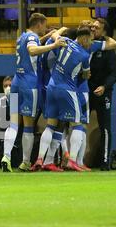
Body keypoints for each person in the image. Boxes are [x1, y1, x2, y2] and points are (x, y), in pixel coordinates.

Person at [0, 13, 67, 173]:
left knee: (14, 124)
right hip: (29, 85)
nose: (45, 27)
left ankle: (6, 156)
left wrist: (47, 36)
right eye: (44, 25)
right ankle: (25, 162)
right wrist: (54, 45)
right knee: (28, 126)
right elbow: (32, 50)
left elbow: (33, 43)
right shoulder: (31, 38)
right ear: (39, 24)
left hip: (16, 81)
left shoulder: (22, 36)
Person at [31, 27, 94, 172]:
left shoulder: (64, 41)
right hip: (67, 89)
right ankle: (72, 160)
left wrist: (60, 30)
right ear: (84, 38)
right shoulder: (84, 55)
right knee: (77, 123)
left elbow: (54, 34)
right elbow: (85, 75)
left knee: (50, 125)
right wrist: (85, 74)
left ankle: (41, 159)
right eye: (89, 39)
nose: (90, 42)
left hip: (52, 87)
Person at [89, 18, 116, 170]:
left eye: (97, 28)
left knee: (105, 127)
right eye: (92, 27)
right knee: (74, 125)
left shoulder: (108, 49)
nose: (93, 29)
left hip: (102, 92)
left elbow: (114, 74)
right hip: (85, 90)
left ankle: (105, 162)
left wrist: (104, 87)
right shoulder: (85, 44)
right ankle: (73, 161)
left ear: (104, 32)